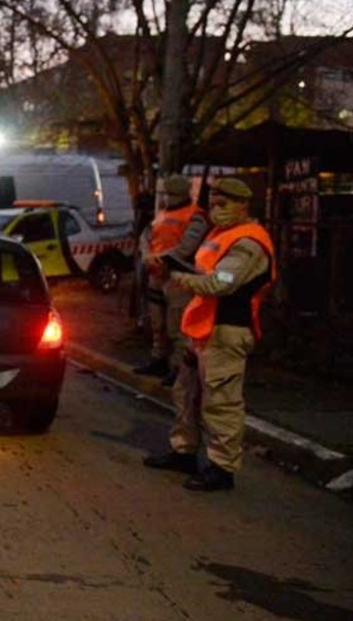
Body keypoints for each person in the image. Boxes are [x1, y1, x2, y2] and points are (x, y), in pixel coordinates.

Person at [143, 178, 276, 492]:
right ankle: (184, 451)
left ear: (243, 204)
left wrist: (174, 274)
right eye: (214, 203)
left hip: (227, 330)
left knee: (221, 402)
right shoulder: (220, 234)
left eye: (223, 204)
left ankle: (221, 468)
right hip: (202, 329)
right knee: (186, 394)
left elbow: (220, 284)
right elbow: (204, 273)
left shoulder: (249, 242)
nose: (217, 210)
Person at [134, 174, 210, 386]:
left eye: (171, 194)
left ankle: (178, 368)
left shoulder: (196, 216)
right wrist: (148, 255)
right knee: (158, 323)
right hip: (157, 274)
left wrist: (158, 259)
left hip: (178, 277)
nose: (167, 197)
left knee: (176, 326)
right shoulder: (162, 213)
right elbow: (146, 237)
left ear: (182, 194)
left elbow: (187, 247)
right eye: (166, 194)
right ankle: (159, 360)